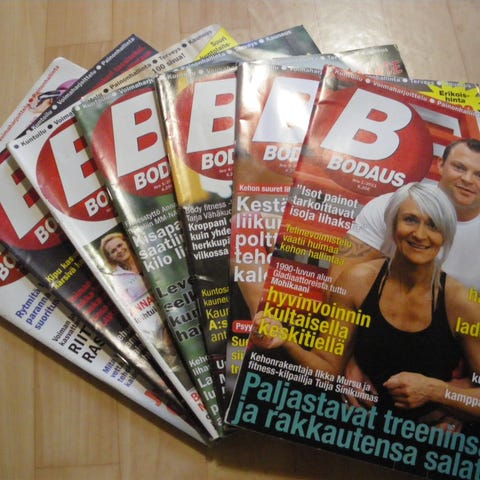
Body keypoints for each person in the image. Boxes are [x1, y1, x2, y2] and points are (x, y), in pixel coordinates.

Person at [252, 183, 480, 422]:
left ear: (445, 235)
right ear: (393, 225)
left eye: (433, 225)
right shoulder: (358, 281)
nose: (420, 234)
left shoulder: (461, 302)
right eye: (410, 220)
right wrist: (286, 341)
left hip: (423, 432)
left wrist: (437, 392)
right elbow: (328, 370)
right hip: (356, 423)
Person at [334, 138, 480, 290]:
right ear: (441, 165)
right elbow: (337, 286)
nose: (467, 179)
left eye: (479, 175)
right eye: (459, 168)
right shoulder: (389, 206)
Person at [100, 231, 148, 303]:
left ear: (126, 243)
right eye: (113, 251)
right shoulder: (117, 281)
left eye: (119, 245)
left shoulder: (147, 254)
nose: (119, 251)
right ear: (110, 258)